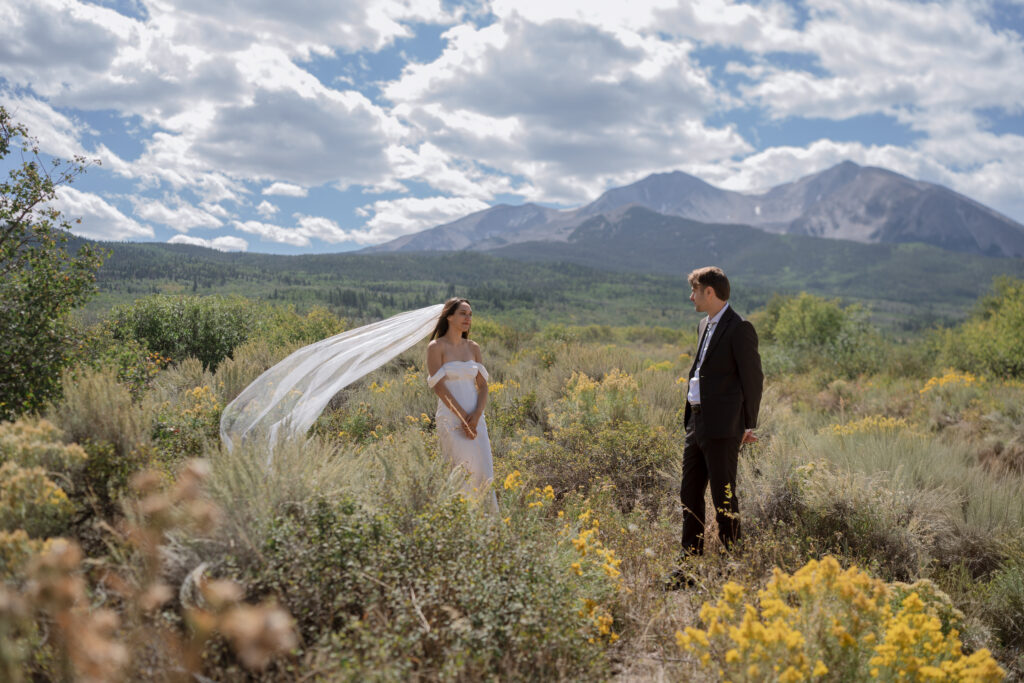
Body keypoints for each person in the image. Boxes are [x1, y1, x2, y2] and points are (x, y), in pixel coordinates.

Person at [668, 267, 763, 589]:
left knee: (724, 498)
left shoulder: (740, 328)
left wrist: (748, 424)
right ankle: (687, 570)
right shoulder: (702, 325)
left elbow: (753, 379)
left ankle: (732, 568)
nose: (691, 296)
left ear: (710, 292)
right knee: (689, 495)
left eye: (695, 290)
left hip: (724, 428)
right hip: (696, 423)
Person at [426, 298, 498, 513]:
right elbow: (438, 387)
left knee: (483, 469)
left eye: (470, 314)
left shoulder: (473, 347)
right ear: (449, 316)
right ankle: (463, 521)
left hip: (476, 419)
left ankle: (488, 525)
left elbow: (483, 386)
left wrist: (476, 416)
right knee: (461, 469)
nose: (468, 318)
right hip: (451, 418)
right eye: (463, 314)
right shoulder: (436, 347)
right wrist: (462, 417)